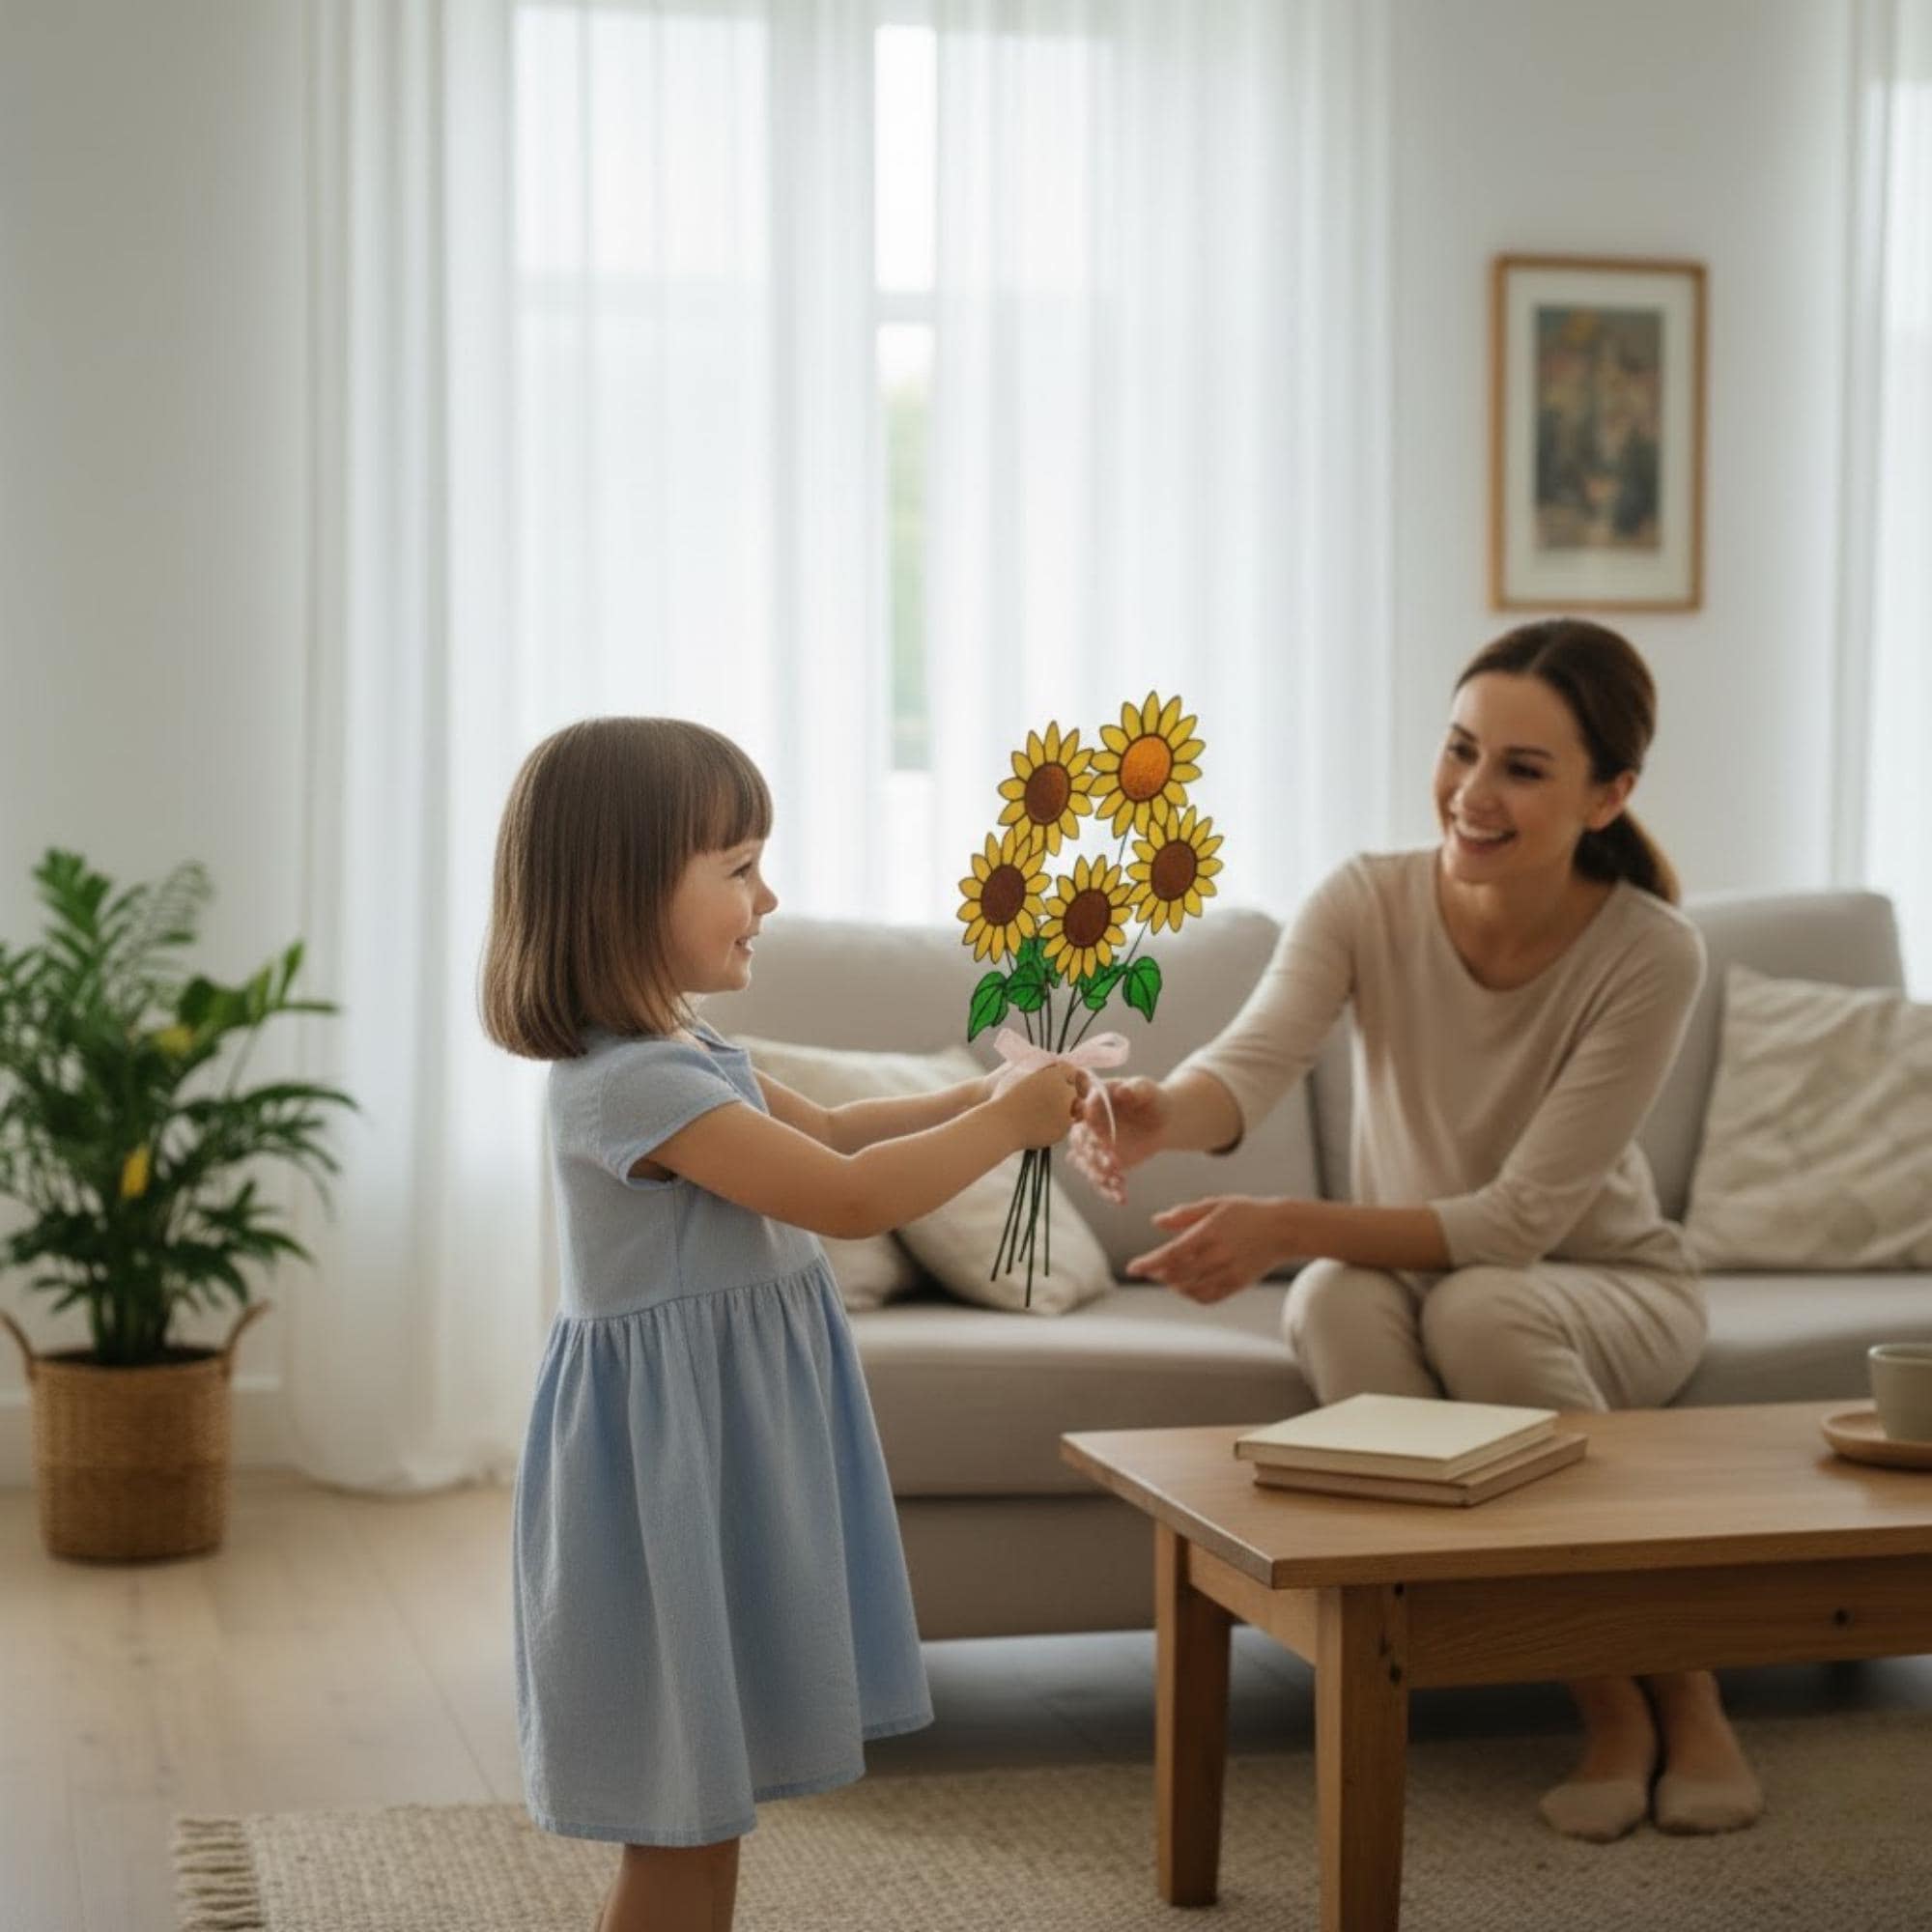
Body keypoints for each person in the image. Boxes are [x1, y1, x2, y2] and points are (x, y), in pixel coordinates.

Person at [1067, 618, 1764, 1843]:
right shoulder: (1363, 897)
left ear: (1609, 795)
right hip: (1419, 1281)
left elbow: (1518, 1222)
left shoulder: (1650, 951)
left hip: (1602, 1281)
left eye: (1522, 768)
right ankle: (1605, 1696)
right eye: (1459, 750)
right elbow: (1254, 1057)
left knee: (1479, 1301)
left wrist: (1281, 1221)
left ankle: (1685, 1687)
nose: (1471, 793)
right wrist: (1157, 1111)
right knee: (1336, 1297)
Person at [481, 717, 1080, 1932]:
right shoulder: (630, 1082)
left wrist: (983, 1088)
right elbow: (849, 1197)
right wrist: (1005, 1127)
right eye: (738, 865)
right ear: (624, 888)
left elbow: (840, 1131)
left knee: (710, 1818)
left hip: (719, 1453)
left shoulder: (686, 1046)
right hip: (666, 1478)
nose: (770, 893)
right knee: (680, 1831)